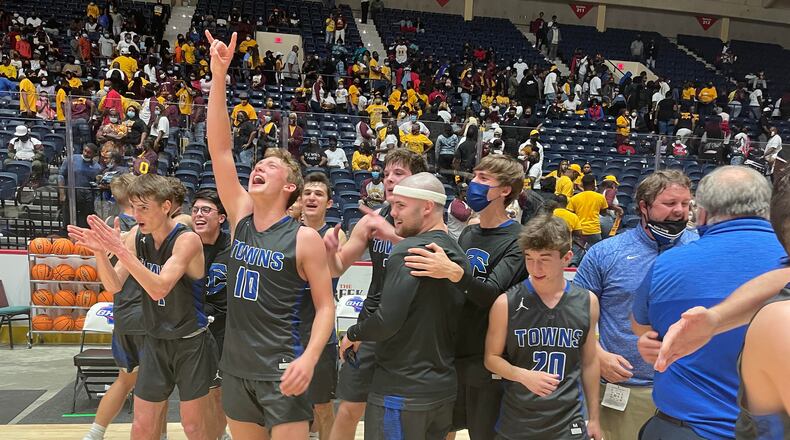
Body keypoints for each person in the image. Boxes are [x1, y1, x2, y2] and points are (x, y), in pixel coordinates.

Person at [206, 31, 335, 439]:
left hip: (283, 367)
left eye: (271, 167)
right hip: (236, 366)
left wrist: (310, 358)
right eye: (259, 163)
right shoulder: (240, 213)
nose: (259, 167)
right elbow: (221, 149)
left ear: (289, 187)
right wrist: (219, 76)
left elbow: (327, 308)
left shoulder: (303, 239)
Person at [632, 166, 784, 439]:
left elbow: (644, 331)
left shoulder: (667, 264)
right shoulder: (781, 263)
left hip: (685, 429)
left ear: (701, 212)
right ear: (768, 209)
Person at [69, 173, 217, 440]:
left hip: (190, 343)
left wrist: (122, 250)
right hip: (154, 340)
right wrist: (101, 253)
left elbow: (159, 287)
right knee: (141, 426)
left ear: (166, 207)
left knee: (193, 427)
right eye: (134, 207)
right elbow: (113, 286)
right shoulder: (137, 235)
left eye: (144, 208)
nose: (137, 214)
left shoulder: (187, 240)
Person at [402, 155, 529, 440]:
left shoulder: (519, 239)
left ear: (505, 190)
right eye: (475, 176)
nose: (474, 183)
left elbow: (491, 294)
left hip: (488, 357)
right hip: (453, 351)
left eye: (484, 178)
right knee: (443, 428)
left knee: (482, 433)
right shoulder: (470, 233)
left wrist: (452, 272)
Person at [338, 172, 469, 439]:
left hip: (400, 391)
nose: (393, 213)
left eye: (401, 206)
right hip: (442, 391)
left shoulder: (407, 250)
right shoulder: (458, 256)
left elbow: (387, 321)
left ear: (428, 207)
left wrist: (354, 333)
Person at [572, 169, 696, 440]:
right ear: (643, 206)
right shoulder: (605, 253)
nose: (679, 211)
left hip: (688, 392)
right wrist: (596, 353)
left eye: (685, 204)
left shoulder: (701, 249)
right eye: (670, 204)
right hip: (623, 391)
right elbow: (570, 314)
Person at [325, 149, 428, 440]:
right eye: (386, 175)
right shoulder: (374, 219)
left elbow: (436, 259)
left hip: (412, 329)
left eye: (399, 173)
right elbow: (337, 267)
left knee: (404, 417)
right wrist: (331, 251)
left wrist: (393, 235)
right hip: (370, 324)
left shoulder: (427, 219)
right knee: (348, 409)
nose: (390, 180)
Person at [485, 214, 602, 440]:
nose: (535, 268)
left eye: (545, 259)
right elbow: (491, 358)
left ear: (566, 257)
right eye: (529, 258)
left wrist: (595, 418)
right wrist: (523, 375)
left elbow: (589, 362)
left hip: (569, 422)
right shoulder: (505, 303)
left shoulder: (588, 301)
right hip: (518, 422)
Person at [299, 173, 346, 440]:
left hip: (320, 332)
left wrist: (329, 253)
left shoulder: (336, 236)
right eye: (307, 193)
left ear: (328, 203)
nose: (312, 197)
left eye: (318, 194)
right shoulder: (289, 232)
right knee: (287, 404)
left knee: (323, 407)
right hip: (288, 331)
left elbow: (335, 270)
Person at [190, 190, 232, 440]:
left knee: (218, 392)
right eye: (195, 210)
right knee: (198, 394)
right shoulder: (184, 242)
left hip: (226, 328)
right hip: (193, 327)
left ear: (222, 218)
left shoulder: (233, 246)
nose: (198, 214)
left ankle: (221, 434)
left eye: (206, 210)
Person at [567, 174, 613, 247]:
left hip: (579, 231)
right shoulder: (600, 197)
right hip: (594, 230)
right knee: (595, 254)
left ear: (582, 184)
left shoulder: (574, 198)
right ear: (593, 184)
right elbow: (604, 213)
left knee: (577, 256)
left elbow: (570, 214)